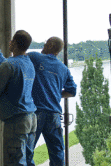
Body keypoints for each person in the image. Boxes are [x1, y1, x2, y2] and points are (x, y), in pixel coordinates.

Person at [0, 28, 37, 166]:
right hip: (30, 120)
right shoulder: (28, 63)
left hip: (16, 123)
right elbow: (3, 63)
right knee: (28, 161)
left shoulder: (9, 66)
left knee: (15, 163)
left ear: (13, 43)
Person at [27, 37, 77, 166]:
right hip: (54, 115)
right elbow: (72, 91)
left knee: (27, 152)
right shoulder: (63, 68)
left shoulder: (35, 57)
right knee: (57, 154)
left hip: (36, 113)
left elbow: (17, 61)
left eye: (46, 43)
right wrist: (54, 94)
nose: (43, 45)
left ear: (50, 45)